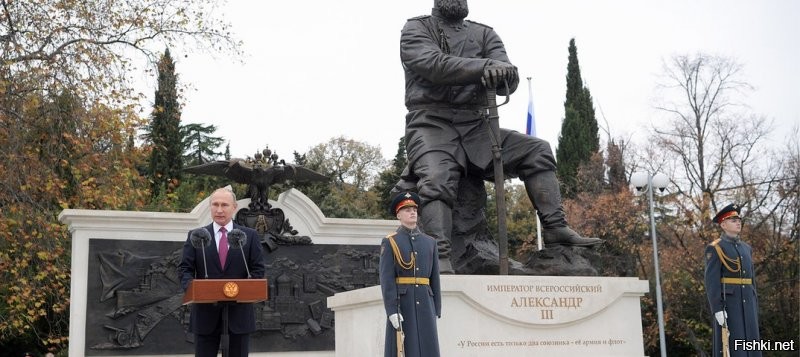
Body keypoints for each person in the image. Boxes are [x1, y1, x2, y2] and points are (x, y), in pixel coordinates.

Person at [399, 0, 601, 273]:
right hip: (431, 123)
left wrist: (505, 75)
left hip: (476, 125)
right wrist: (484, 67)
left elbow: (508, 73)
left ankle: (555, 228)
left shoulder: (484, 34)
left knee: (537, 149)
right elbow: (433, 64)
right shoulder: (416, 28)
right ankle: (439, 254)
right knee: (436, 177)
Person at [179, 188, 267, 357]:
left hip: (239, 316)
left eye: (224, 205)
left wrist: (246, 289)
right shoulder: (196, 236)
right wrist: (192, 289)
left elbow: (257, 270)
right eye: (215, 205)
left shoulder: (250, 236)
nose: (219, 210)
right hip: (205, 316)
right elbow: (185, 269)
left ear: (234, 207)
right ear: (210, 207)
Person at [380, 191, 441, 357]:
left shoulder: (430, 242)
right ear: (398, 215)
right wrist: (391, 310)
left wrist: (436, 307)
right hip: (403, 303)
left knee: (428, 347)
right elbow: (387, 279)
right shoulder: (391, 241)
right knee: (405, 349)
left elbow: (434, 277)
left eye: (414, 209)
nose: (412, 212)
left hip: (426, 302)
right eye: (407, 210)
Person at [704, 203, 761, 357]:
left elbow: (751, 280)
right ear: (723, 224)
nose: (738, 222)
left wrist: (755, 303)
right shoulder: (715, 248)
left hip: (748, 303)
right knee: (733, 348)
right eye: (733, 220)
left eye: (739, 220)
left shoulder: (746, 248)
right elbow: (711, 282)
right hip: (730, 306)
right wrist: (717, 308)